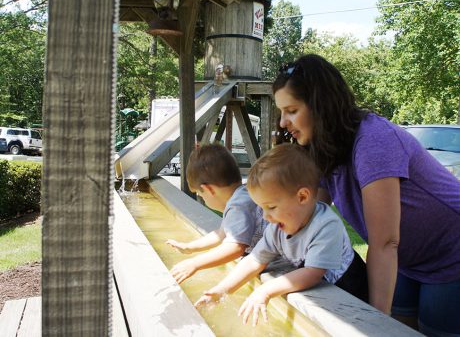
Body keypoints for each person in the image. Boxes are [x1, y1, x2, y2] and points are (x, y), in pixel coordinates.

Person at [272, 53, 460, 337]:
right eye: (281, 112)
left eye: (292, 110)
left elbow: (385, 242)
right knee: (401, 327)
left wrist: (371, 325)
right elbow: (310, 212)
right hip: (410, 259)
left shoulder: (373, 140)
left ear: (321, 105)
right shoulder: (325, 149)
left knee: (428, 329)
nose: (283, 122)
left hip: (450, 251)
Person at [195, 144, 368, 326]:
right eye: (261, 208)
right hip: (324, 289)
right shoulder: (277, 227)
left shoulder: (326, 226)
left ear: (302, 197)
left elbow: (312, 274)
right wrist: (222, 289)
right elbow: (254, 260)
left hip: (351, 292)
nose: (265, 216)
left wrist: (266, 290)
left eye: (270, 207)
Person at [166, 143, 267, 284]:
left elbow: (236, 248)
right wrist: (190, 247)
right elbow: (221, 234)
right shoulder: (243, 193)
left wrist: (195, 264)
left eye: (200, 195)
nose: (202, 198)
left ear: (209, 190)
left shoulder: (238, 206)